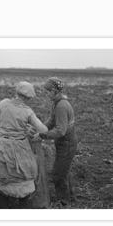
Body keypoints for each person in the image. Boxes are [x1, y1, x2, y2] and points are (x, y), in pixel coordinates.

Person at [0, 81, 48, 208]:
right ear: (29, 97)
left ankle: (4, 202)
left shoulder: (4, 103)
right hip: (20, 146)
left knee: (2, 171)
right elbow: (43, 130)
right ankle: (21, 204)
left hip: (2, 145)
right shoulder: (28, 111)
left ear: (16, 92)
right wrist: (28, 126)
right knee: (22, 172)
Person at [34, 77, 77, 206]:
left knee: (58, 175)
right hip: (63, 143)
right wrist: (39, 128)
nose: (46, 94)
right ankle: (70, 198)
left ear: (54, 91)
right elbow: (52, 121)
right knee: (64, 172)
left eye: (47, 92)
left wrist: (42, 135)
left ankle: (64, 202)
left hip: (67, 143)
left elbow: (60, 131)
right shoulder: (56, 103)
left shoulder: (62, 106)